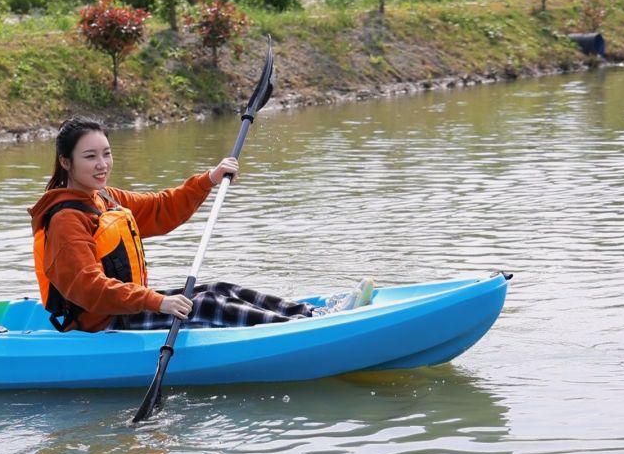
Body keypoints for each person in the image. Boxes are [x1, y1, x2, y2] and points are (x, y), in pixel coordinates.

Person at [28, 116, 373, 333]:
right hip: (104, 323)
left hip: (128, 307)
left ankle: (315, 313)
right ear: (66, 162)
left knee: (218, 288)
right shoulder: (66, 219)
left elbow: (162, 208)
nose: (102, 164)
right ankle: (307, 331)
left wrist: (209, 179)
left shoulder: (104, 198)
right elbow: (87, 288)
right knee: (205, 305)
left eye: (107, 153)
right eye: (90, 157)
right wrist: (157, 301)